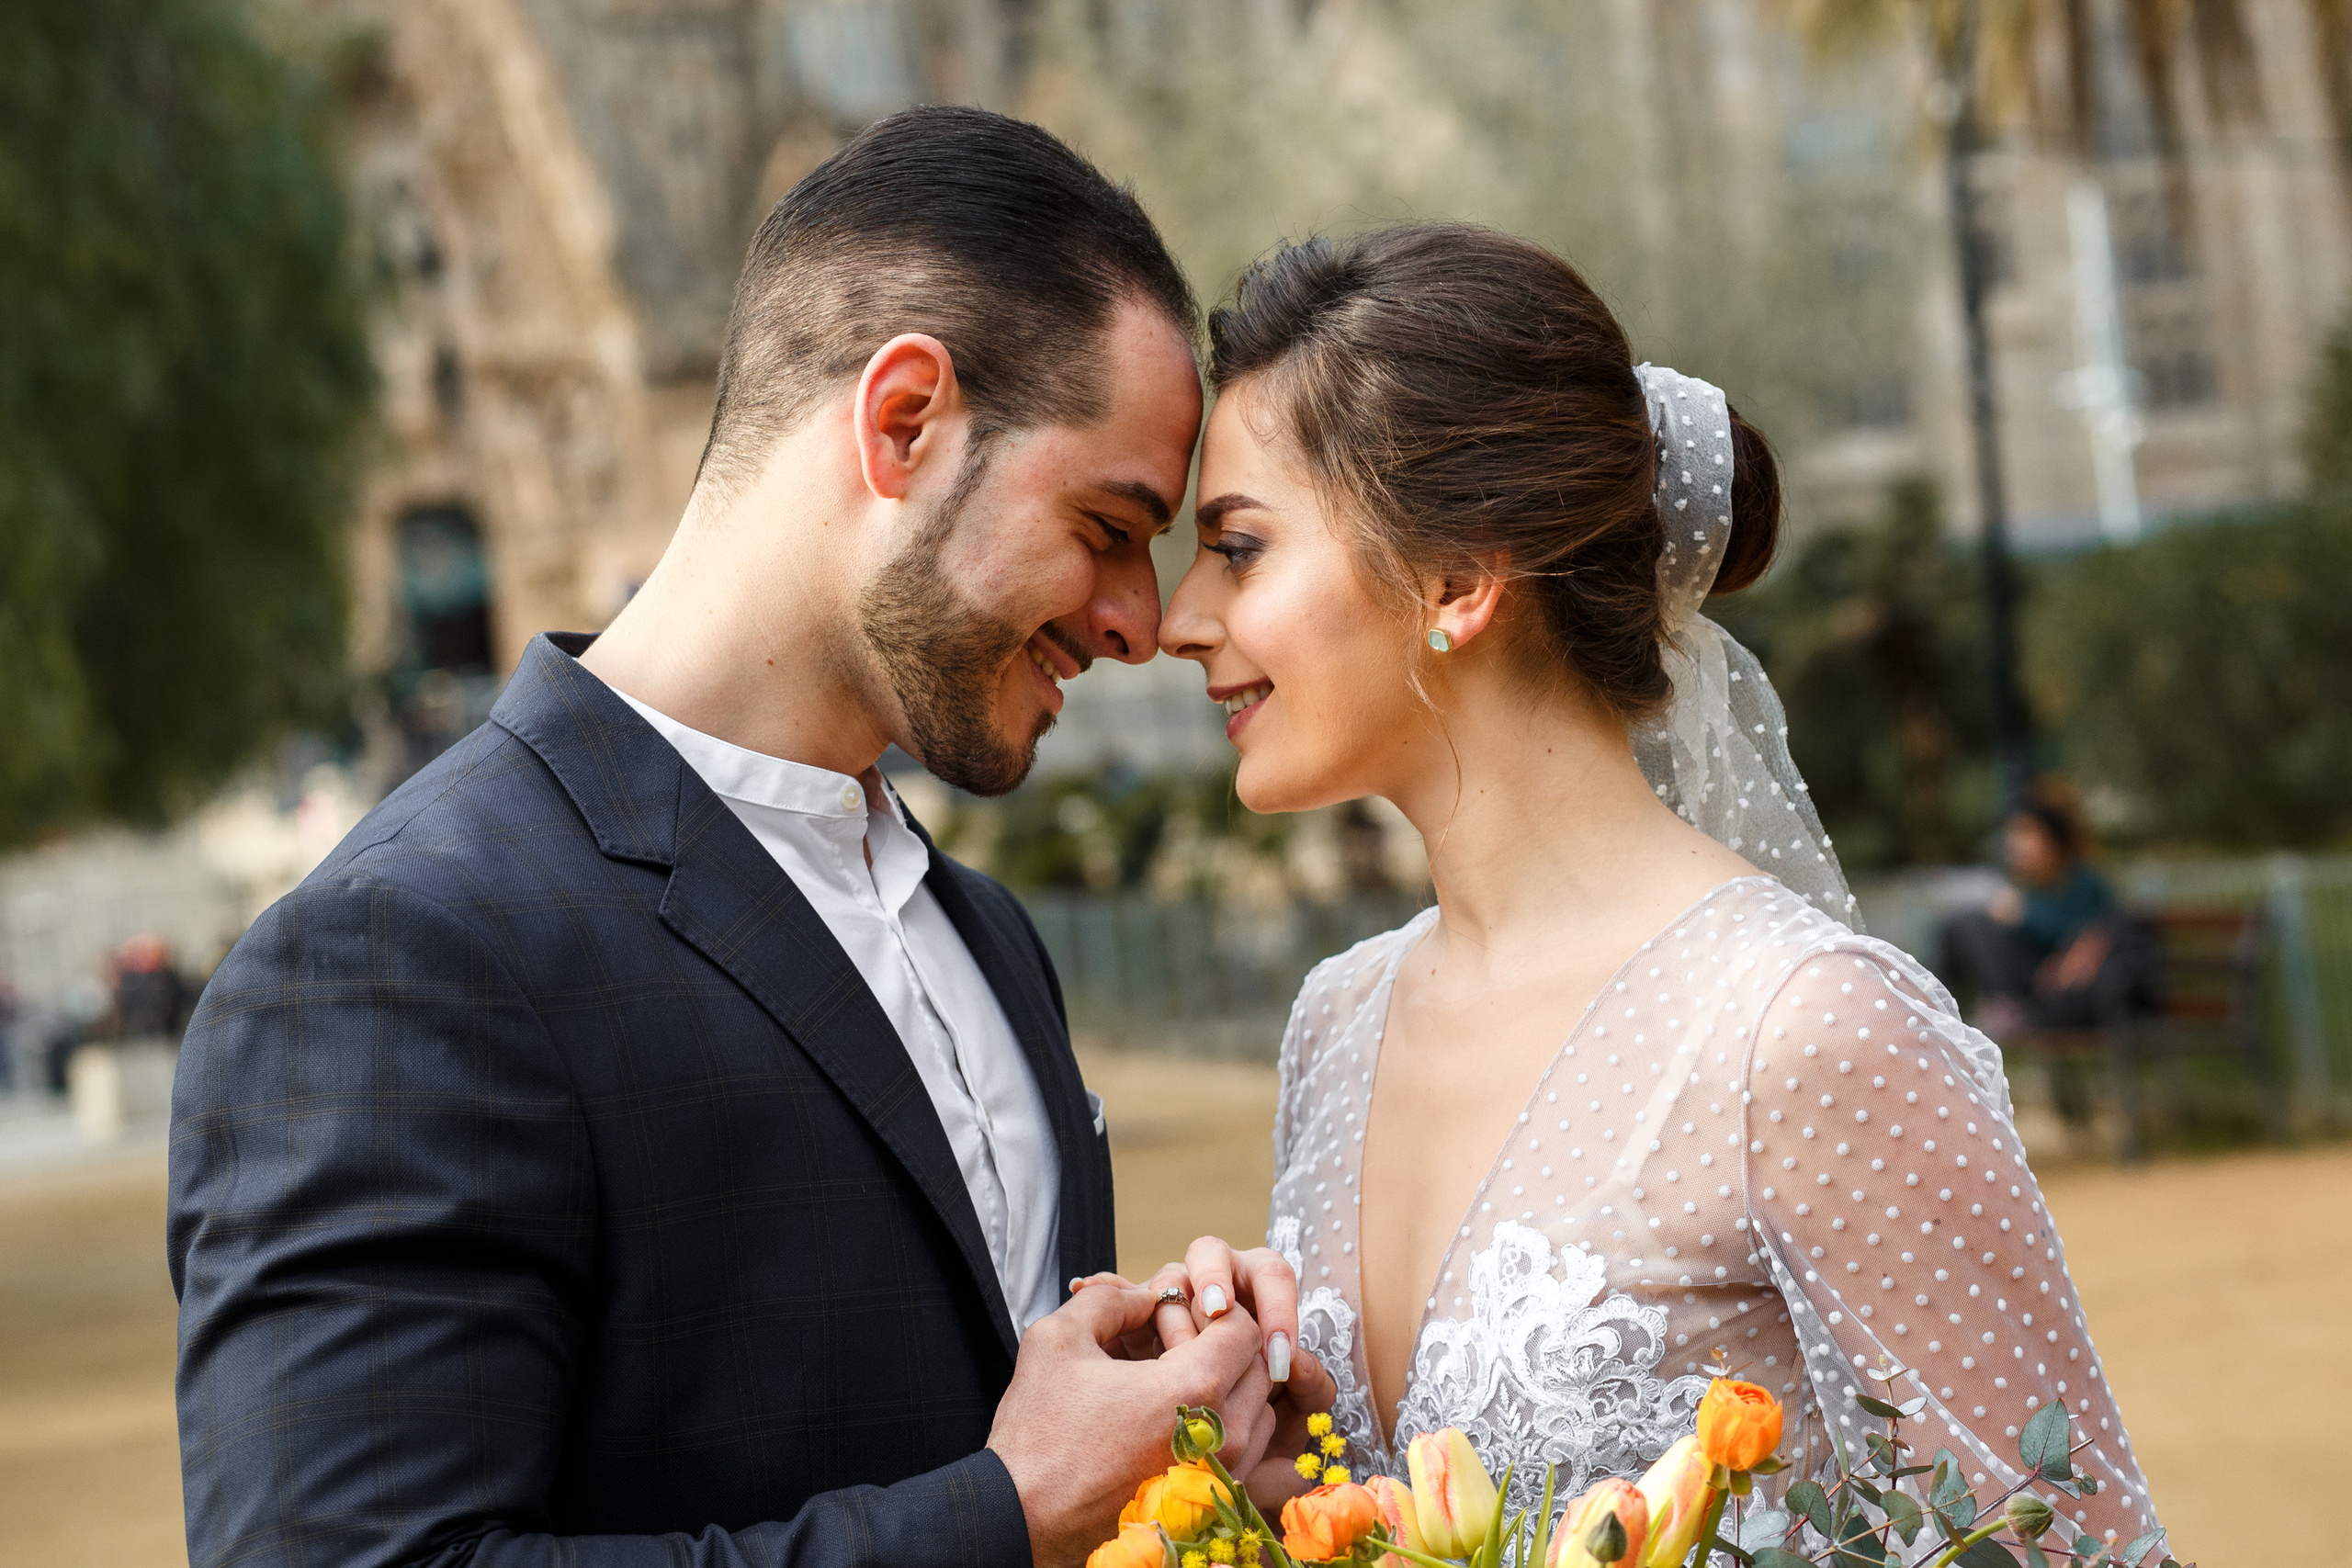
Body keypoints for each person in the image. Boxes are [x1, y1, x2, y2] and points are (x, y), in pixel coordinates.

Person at [169, 107, 1323, 1568]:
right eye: (1108, 524)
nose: (1140, 621)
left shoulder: (987, 935)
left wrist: (1179, 1446)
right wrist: (1007, 1512)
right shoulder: (402, 952)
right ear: (904, 421)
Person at [1156, 227, 2165, 1555]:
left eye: (1237, 547)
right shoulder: (1336, 1023)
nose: (1178, 618)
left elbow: (2062, 1542)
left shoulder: (1799, 1030)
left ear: (1456, 580)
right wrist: (1275, 1483)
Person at [1943, 797, 2141, 1040]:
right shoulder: (2023, 888)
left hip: (2071, 988)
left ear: (2053, 840)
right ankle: (1954, 1010)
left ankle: (2014, 1009)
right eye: (2013, 835)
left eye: (2026, 834)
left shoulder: (2084, 884)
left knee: (1976, 924)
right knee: (1968, 924)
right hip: (2034, 979)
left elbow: (2094, 933)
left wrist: (2024, 915)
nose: (2016, 845)